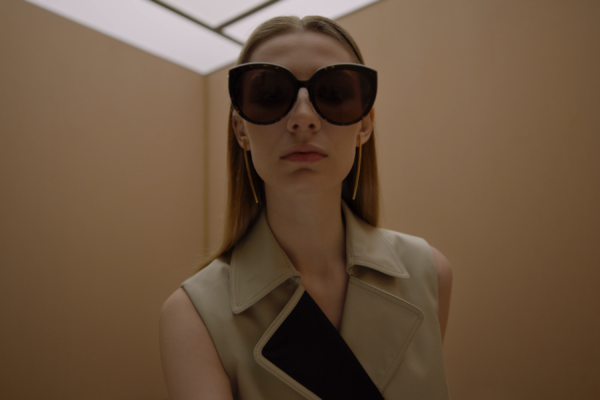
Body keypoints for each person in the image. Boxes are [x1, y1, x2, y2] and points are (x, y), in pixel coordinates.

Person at [159, 15, 452, 400]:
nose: (302, 119)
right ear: (240, 129)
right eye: (270, 96)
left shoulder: (430, 274)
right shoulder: (193, 316)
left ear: (364, 125)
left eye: (332, 94)